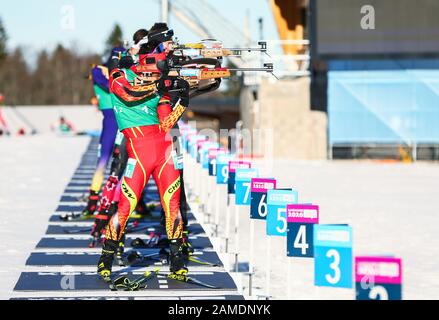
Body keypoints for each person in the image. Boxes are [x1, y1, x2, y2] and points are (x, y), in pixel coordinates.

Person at [97, 23, 191, 280]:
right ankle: (106, 257)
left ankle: (177, 261)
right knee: (125, 206)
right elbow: (127, 94)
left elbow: (166, 124)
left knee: (172, 204)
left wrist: (181, 100)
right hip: (138, 152)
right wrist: (157, 85)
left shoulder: (159, 83)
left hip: (165, 150)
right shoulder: (120, 76)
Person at [81, 47, 125, 217]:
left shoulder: (122, 72)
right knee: (103, 161)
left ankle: (124, 201)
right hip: (110, 122)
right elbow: (108, 86)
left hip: (124, 121)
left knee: (124, 163)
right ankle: (93, 201)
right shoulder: (98, 70)